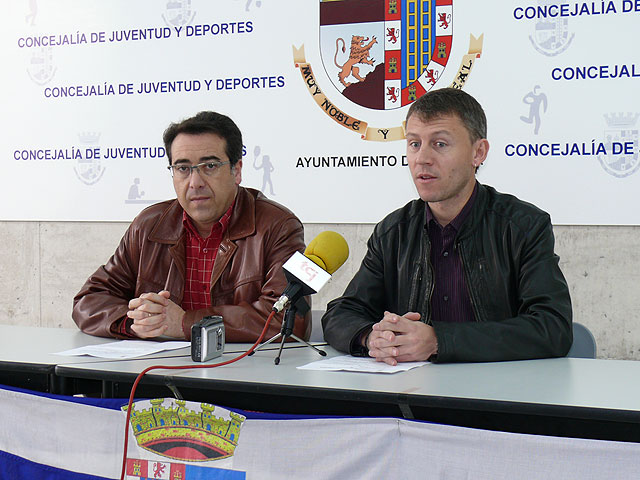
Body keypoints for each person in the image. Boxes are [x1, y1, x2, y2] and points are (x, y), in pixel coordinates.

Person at [322, 88, 572, 364]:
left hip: (497, 395)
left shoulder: (522, 226)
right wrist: (371, 338)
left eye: (440, 144)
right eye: (414, 143)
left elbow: (552, 328)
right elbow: (342, 312)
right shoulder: (393, 232)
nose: (422, 159)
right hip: (412, 397)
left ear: (478, 153)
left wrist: (439, 341)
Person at [73, 111, 310, 341]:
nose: (195, 183)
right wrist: (137, 322)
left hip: (240, 371)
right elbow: (88, 301)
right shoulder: (148, 226)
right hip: (157, 369)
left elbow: (292, 320)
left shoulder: (280, 226)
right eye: (183, 168)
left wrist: (186, 323)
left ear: (236, 171)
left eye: (210, 166)